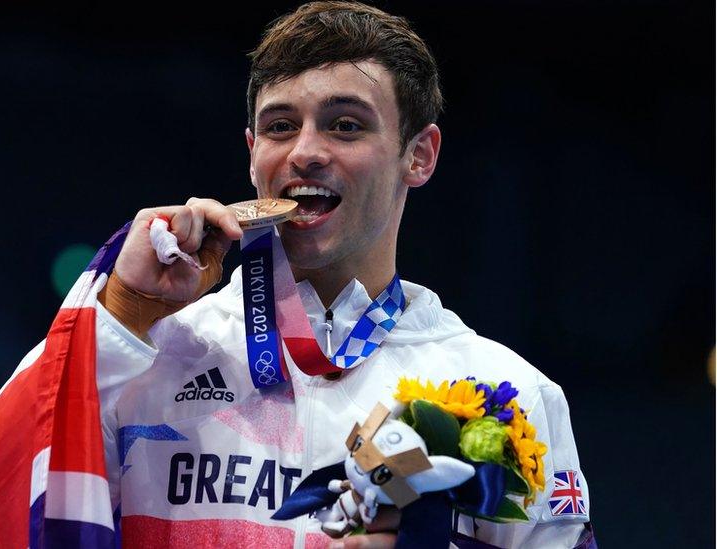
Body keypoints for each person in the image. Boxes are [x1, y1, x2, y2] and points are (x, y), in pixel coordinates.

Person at [60, 2, 593, 547]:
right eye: (281, 126)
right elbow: (7, 501)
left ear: (420, 156)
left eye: (345, 125)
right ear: (252, 154)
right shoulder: (142, 357)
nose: (306, 152)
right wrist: (123, 312)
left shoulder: (510, 393)